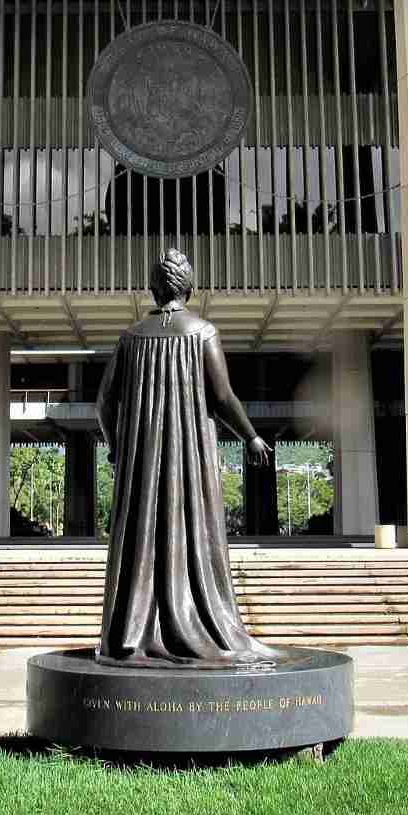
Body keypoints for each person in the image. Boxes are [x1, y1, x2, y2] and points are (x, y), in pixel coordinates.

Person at [93, 248, 278, 667]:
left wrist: (118, 448)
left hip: (142, 462)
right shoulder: (203, 332)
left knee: (143, 534)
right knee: (194, 532)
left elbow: (104, 404)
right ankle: (205, 625)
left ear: (153, 289)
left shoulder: (131, 337)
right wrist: (250, 436)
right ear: (189, 289)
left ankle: (133, 631)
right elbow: (224, 396)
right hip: (189, 459)